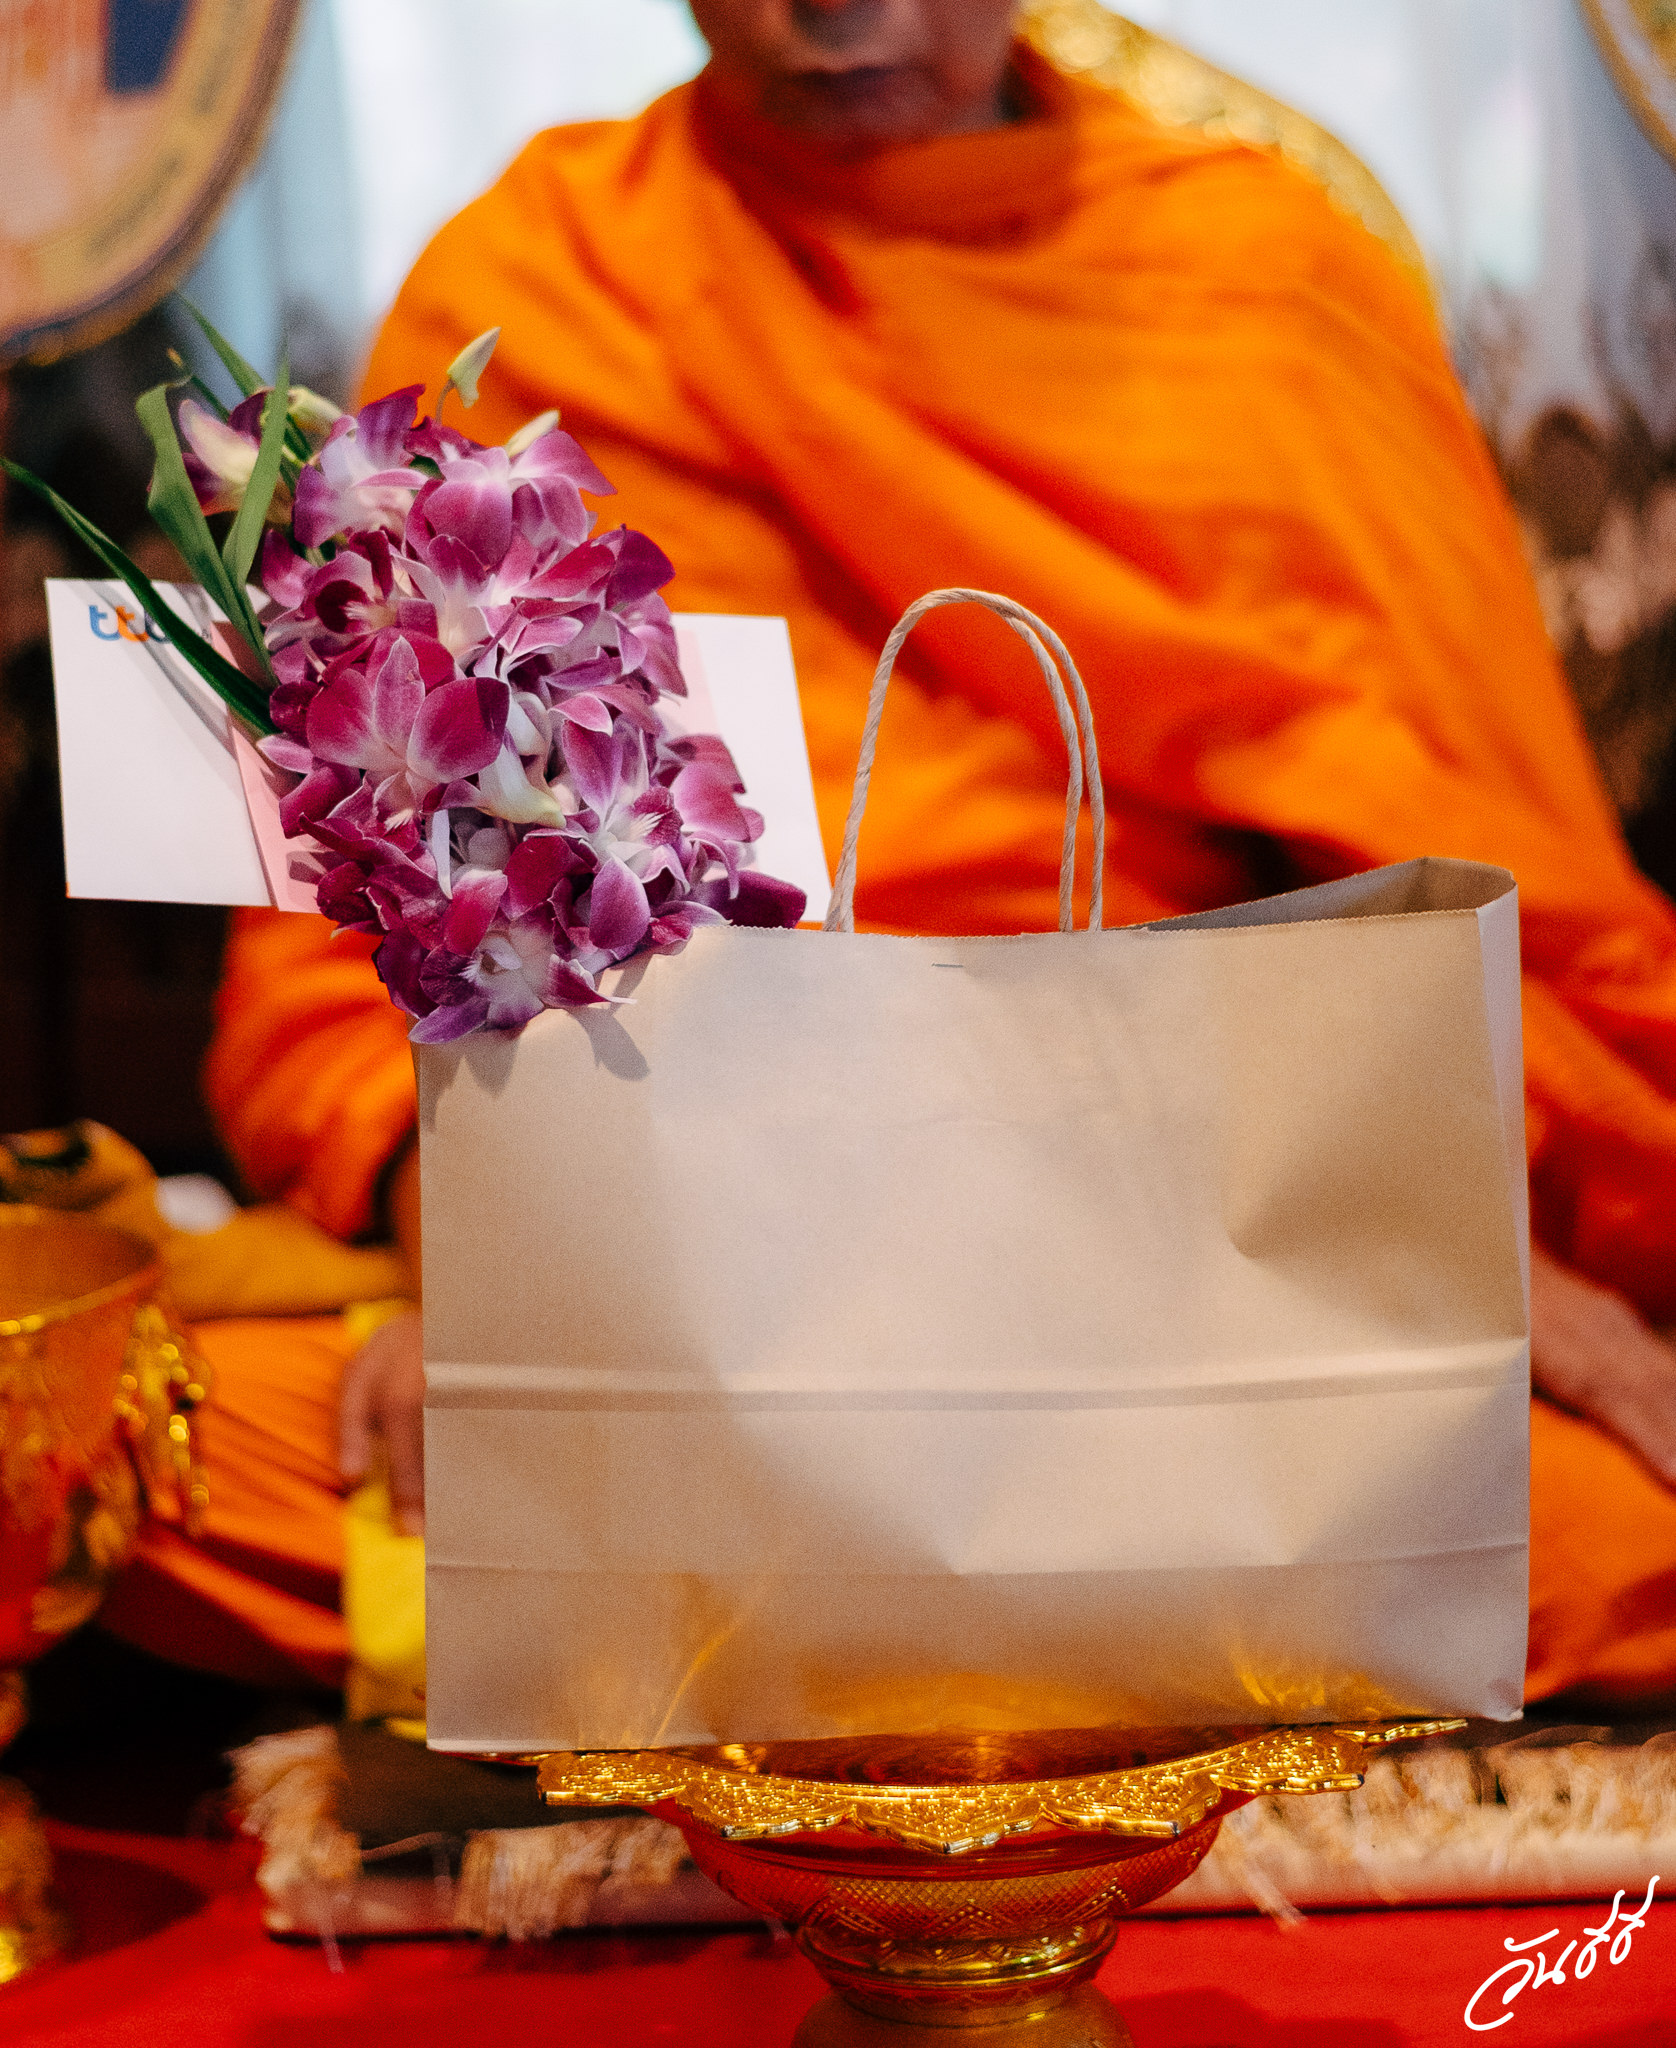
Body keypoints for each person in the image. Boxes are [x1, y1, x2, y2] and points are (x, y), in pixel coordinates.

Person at [112, 0, 1676, 1705]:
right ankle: (1029, 1635)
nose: (837, 6)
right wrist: (488, 1281)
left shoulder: (1256, 279)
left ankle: (794, 1635)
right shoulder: (545, 273)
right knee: (107, 1443)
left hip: (1173, 1242)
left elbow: (1461, 899)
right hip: (668, 1268)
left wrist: (1444, 1246)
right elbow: (360, 919)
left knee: (1606, 1526)